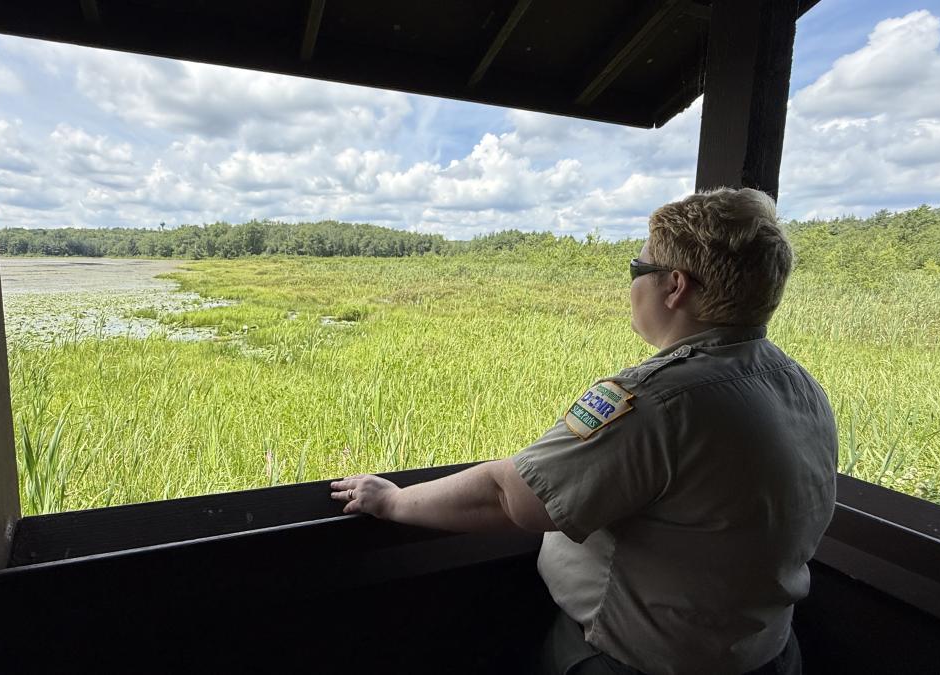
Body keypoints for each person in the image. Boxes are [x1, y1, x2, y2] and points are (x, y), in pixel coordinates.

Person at [329, 187, 838, 675]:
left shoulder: (656, 400)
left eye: (638, 268)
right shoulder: (797, 383)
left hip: (638, 660)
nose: (632, 282)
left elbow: (515, 497)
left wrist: (392, 501)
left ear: (675, 285)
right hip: (765, 652)